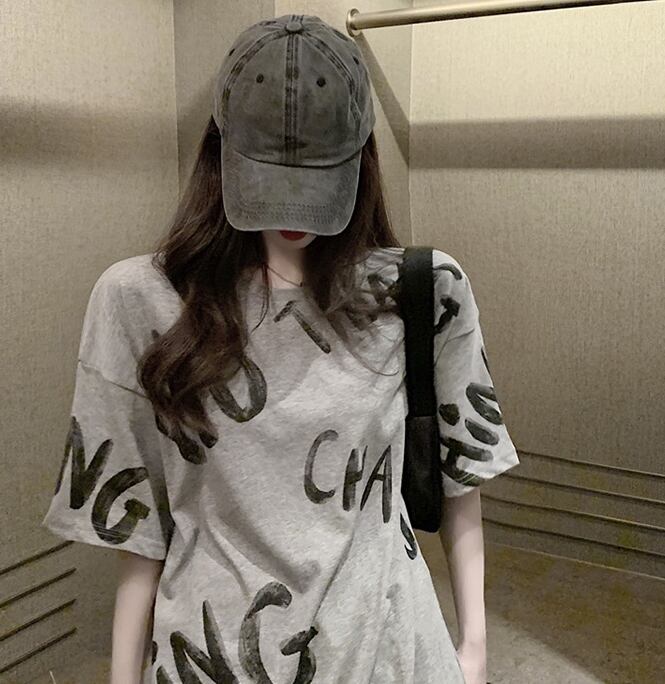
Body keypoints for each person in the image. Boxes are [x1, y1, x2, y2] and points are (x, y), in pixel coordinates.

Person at [41, 13, 520, 684]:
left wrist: (472, 648)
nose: (293, 212)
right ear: (220, 154)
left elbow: (458, 481)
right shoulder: (138, 302)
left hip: (388, 651)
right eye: (269, 176)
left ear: (362, 157)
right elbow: (140, 530)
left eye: (318, 176)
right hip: (211, 659)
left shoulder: (421, 291)